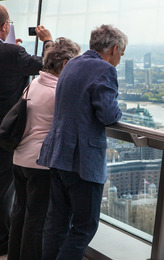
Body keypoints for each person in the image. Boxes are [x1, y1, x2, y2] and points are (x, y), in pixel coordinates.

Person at [37, 24, 127, 260]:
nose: (119, 59)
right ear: (114, 49)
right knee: (84, 227)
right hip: (83, 163)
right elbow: (108, 115)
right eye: (121, 54)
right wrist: (119, 112)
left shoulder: (72, 63)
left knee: (56, 223)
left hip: (58, 155)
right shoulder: (105, 70)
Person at [7, 37, 81, 260]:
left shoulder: (35, 83)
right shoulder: (58, 92)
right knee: (37, 221)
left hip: (20, 158)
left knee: (20, 214)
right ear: (66, 64)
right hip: (40, 164)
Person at [0, 4, 53, 256]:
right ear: (5, 26)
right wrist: (48, 40)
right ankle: (2, 241)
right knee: (3, 189)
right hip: (5, 134)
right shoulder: (12, 54)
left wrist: (13, 50)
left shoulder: (12, 53)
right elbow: (46, 65)